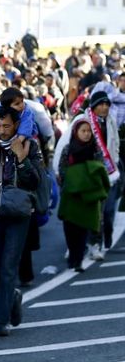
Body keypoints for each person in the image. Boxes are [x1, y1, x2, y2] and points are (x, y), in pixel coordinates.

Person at [0, 107, 43, 337]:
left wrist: (21, 158)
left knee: (8, 267)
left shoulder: (29, 145)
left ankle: (0, 320)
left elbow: (35, 181)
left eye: (7, 126)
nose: (2, 131)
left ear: (16, 125)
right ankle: (12, 295)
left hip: (19, 214)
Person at [56, 117, 110, 272]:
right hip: (71, 196)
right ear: (76, 132)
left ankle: (78, 260)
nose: (86, 134)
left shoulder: (95, 149)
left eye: (88, 131)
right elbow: (62, 170)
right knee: (70, 228)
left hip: (89, 197)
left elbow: (100, 169)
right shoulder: (68, 149)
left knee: (82, 229)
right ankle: (73, 255)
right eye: (83, 131)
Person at [81, 89, 121, 259]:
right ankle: (93, 244)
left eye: (106, 104)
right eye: (101, 104)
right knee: (96, 212)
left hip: (110, 172)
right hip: (92, 173)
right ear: (94, 106)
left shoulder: (111, 121)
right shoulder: (84, 121)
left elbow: (116, 144)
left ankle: (106, 238)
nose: (104, 107)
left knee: (109, 210)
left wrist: (115, 161)